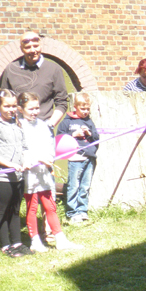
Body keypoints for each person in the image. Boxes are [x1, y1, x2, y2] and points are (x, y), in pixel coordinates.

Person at [18, 92, 82, 251]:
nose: (35, 112)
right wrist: (37, 159)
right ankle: (35, 240)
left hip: (45, 173)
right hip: (29, 174)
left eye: (37, 108)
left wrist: (49, 158)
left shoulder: (43, 125)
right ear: (21, 109)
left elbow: (50, 145)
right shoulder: (19, 127)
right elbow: (21, 150)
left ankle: (60, 239)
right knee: (32, 207)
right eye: (30, 109)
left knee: (50, 206)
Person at [0, 32, 68, 128]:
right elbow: (3, 99)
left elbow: (62, 102)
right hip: (16, 127)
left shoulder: (54, 69)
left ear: (41, 46)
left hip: (43, 127)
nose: (33, 50)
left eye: (36, 46)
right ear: (21, 49)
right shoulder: (11, 69)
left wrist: (49, 125)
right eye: (27, 47)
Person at [0, 89, 32, 257]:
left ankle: (17, 242)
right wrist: (10, 164)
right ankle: (5, 245)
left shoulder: (17, 124)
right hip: (2, 176)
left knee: (15, 209)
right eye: (7, 106)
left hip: (18, 176)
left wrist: (26, 161)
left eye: (14, 106)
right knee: (3, 210)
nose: (11, 110)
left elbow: (25, 148)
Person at [56, 92, 98, 224]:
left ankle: (82, 210)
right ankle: (72, 212)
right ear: (75, 107)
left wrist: (88, 133)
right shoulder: (67, 121)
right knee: (73, 185)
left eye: (87, 109)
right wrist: (73, 135)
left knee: (85, 186)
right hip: (75, 157)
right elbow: (60, 138)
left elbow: (96, 138)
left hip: (89, 157)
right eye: (82, 109)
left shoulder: (89, 121)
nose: (85, 112)